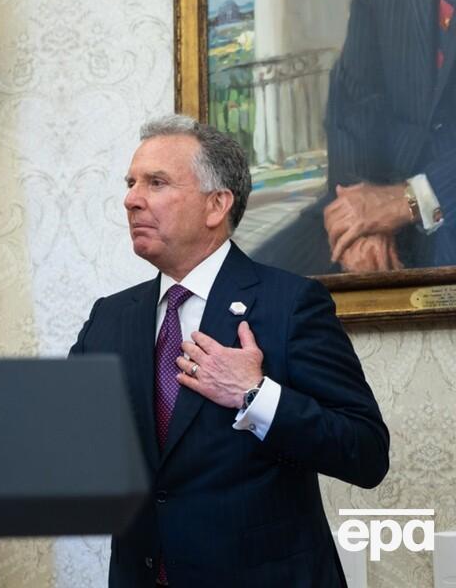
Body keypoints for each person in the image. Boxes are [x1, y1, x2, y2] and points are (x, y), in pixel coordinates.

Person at [70, 115, 389, 587]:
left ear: (216, 205)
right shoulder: (110, 318)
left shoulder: (290, 305)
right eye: (131, 183)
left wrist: (255, 394)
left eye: (156, 183)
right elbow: (73, 445)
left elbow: (366, 453)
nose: (131, 199)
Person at [253, 0, 456, 274]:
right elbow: (353, 100)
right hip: (379, 194)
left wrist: (412, 200)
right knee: (250, 286)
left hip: (445, 206)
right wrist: (360, 225)